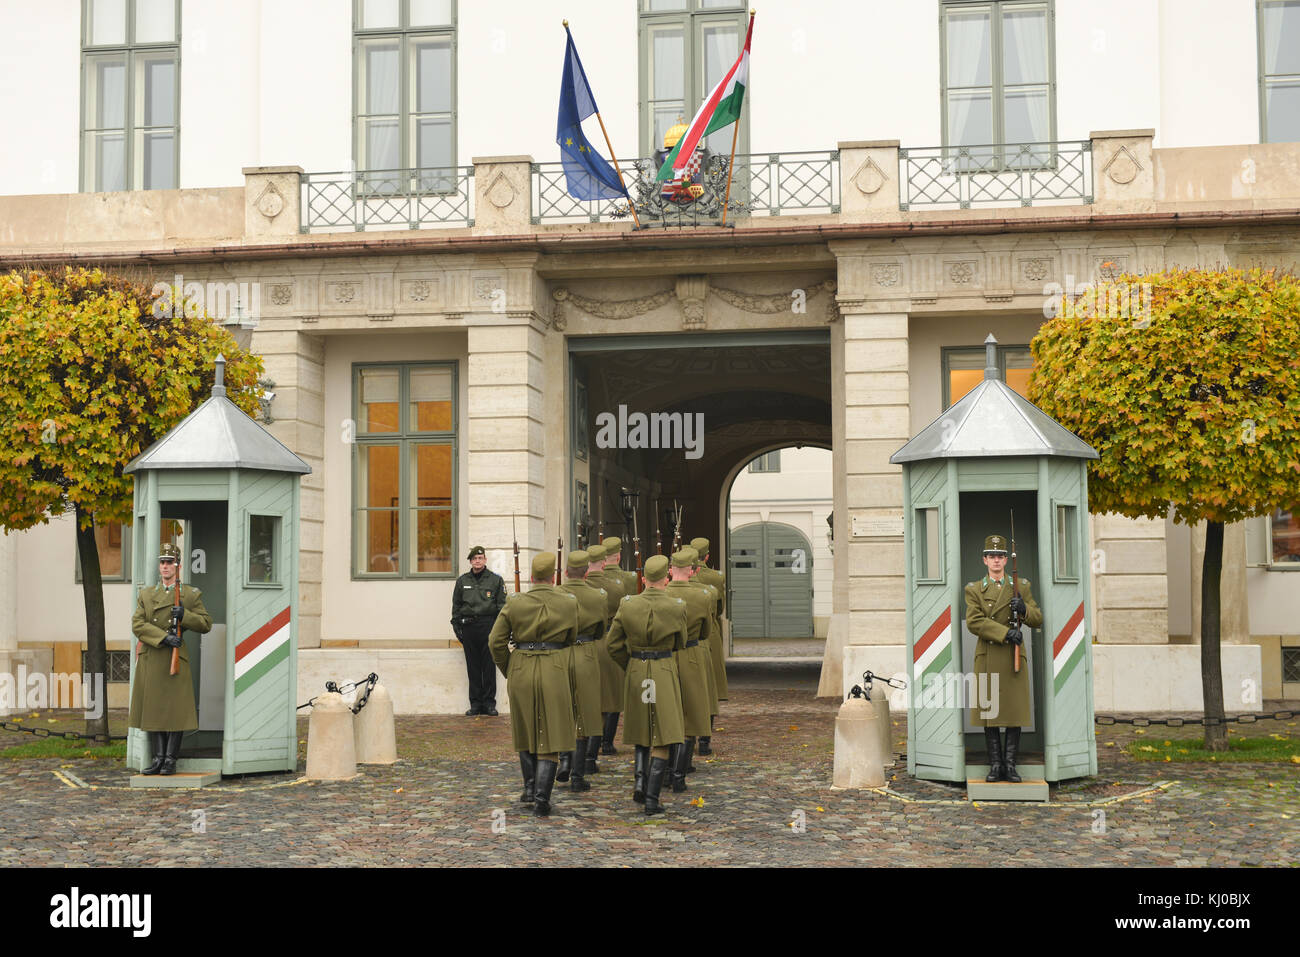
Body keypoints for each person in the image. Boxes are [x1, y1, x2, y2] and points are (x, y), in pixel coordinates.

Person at [488, 552, 578, 817]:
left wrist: (511, 668)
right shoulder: (568, 602)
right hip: (554, 666)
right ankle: (541, 797)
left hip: (522, 666)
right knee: (552, 732)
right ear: (553, 577)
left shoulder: (515, 603)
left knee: (525, 728)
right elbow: (571, 637)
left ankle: (529, 788)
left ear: (530, 576)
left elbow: (495, 642)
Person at [606, 554, 687, 816]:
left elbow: (613, 644)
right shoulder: (677, 605)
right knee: (663, 734)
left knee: (642, 727)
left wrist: (629, 665)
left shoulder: (628, 604)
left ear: (643, 579)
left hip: (637, 668)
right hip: (662, 668)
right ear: (667, 577)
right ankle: (652, 798)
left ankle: (640, 780)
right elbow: (680, 642)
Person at [964, 533, 1043, 783]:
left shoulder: (1022, 586)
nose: (996, 560)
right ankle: (995, 765)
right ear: (984, 560)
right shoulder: (975, 589)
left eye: (1000, 556)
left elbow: (1037, 618)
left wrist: (1024, 609)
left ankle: (1010, 766)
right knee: (991, 713)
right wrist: (1004, 633)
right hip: (989, 655)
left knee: (1013, 712)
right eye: (991, 556)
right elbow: (974, 622)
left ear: (1006, 560)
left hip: (1013, 657)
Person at [129, 543, 213, 776]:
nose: (165, 566)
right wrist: (164, 638)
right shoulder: (146, 594)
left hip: (176, 658)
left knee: (175, 710)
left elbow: (206, 623)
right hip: (154, 656)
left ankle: (170, 759)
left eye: (170, 562)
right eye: (162, 562)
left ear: (177, 565)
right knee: (154, 709)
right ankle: (157, 758)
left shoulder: (189, 594)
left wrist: (185, 616)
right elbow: (138, 624)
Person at [665, 547, 714, 791]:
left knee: (665, 713)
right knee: (690, 716)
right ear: (692, 570)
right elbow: (707, 631)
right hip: (692, 653)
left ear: (671, 569)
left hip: (665, 656)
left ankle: (663, 772)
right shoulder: (703, 595)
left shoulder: (660, 592)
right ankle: (678, 776)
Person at [558, 549, 608, 791]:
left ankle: (564, 759)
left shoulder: (557, 594)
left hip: (560, 653)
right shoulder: (598, 595)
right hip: (586, 652)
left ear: (566, 572)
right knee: (585, 713)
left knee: (563, 708)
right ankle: (577, 775)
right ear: (587, 572)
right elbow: (601, 629)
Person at [451, 545, 508, 716]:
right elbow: (456, 607)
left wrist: (499, 631)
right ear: (470, 561)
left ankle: (489, 704)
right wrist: (457, 628)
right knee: (473, 668)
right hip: (468, 627)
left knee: (489, 667)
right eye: (474, 559)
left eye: (480, 558)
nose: (477, 561)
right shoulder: (462, 581)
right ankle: (475, 704)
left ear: (485, 560)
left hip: (488, 626)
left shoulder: (495, 580)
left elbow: (502, 607)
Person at [689, 536, 728, 753]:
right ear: (707, 556)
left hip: (687, 633)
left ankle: (688, 737)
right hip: (709, 632)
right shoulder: (715, 578)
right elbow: (720, 608)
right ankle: (705, 740)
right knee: (709, 686)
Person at [587, 543, 626, 754]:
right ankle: (607, 742)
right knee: (612, 695)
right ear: (605, 562)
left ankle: (588, 747)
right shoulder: (616, 587)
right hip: (609, 638)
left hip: (583, 643)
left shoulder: (576, 587)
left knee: (588, 696)